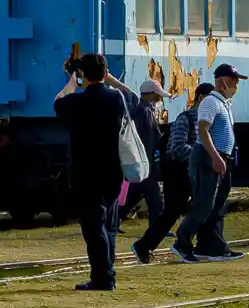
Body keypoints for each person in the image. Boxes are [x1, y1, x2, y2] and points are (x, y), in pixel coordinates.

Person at [53, 53, 127, 290]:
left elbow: (57, 102)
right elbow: (134, 98)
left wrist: (71, 84)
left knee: (94, 227)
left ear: (83, 75)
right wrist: (112, 81)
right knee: (107, 225)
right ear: (105, 74)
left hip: (87, 171)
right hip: (114, 170)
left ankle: (103, 278)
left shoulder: (76, 102)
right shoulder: (117, 98)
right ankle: (108, 271)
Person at [172, 63, 247, 263]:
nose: (237, 84)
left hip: (221, 157)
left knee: (215, 205)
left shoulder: (223, 103)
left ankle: (211, 246)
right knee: (204, 203)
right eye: (234, 80)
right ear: (222, 80)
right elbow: (203, 130)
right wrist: (215, 156)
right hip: (208, 157)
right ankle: (182, 242)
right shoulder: (211, 103)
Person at [134, 82, 212, 263]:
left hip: (190, 169)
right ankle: (157, 245)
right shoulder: (187, 119)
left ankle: (194, 245)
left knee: (199, 207)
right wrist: (201, 155)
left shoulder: (205, 120)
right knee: (174, 210)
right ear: (201, 99)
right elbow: (176, 147)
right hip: (177, 171)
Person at [106, 74, 166, 255]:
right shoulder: (142, 111)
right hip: (143, 159)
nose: (159, 99)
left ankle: (116, 221)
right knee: (154, 198)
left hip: (143, 159)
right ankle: (157, 227)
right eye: (157, 95)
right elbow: (138, 135)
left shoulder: (143, 109)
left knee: (134, 195)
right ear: (151, 95)